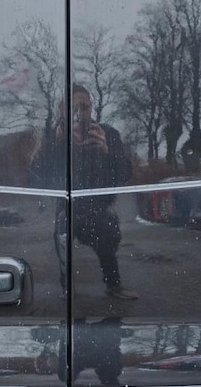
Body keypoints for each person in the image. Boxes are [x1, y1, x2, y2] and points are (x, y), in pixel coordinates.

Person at [32, 84, 139, 301]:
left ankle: (114, 285)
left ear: (92, 107)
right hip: (67, 207)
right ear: (62, 110)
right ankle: (67, 288)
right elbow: (37, 175)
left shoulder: (107, 134)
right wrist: (57, 144)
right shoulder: (53, 137)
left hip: (99, 206)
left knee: (107, 241)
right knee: (62, 238)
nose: (80, 113)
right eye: (74, 108)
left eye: (85, 107)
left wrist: (106, 150)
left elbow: (125, 173)